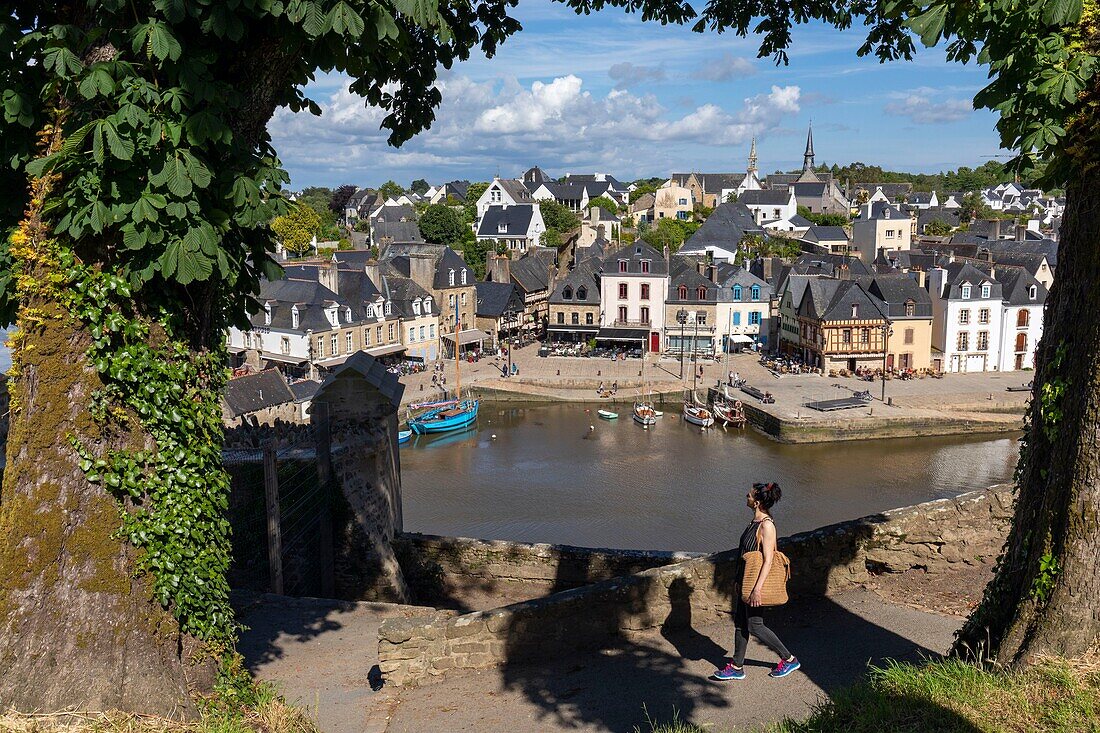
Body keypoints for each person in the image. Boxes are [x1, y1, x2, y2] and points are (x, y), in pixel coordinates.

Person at [713, 482, 800, 681]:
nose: (747, 496)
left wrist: (757, 589)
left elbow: (768, 560)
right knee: (741, 623)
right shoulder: (753, 523)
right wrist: (738, 579)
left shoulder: (767, 526)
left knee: (755, 625)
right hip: (745, 579)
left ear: (757, 502)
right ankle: (736, 666)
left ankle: (789, 659)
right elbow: (745, 554)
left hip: (755, 583)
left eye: (750, 495)